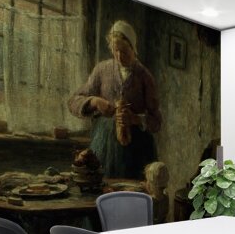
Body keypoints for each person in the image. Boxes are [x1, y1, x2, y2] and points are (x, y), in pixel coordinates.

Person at [68, 20, 163, 179]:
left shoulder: (144, 76)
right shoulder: (102, 70)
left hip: (136, 151)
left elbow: (156, 121)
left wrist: (135, 119)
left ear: (133, 48)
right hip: (104, 146)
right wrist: (94, 101)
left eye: (124, 51)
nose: (119, 56)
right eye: (115, 50)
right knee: (102, 185)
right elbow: (73, 102)